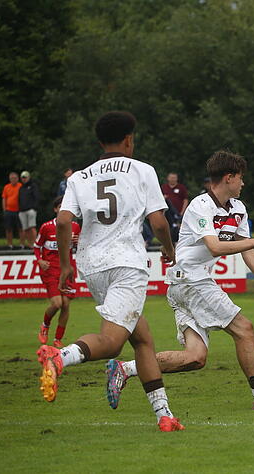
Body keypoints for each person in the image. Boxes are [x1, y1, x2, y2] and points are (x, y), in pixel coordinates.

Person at [105, 150, 254, 411]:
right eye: (241, 178)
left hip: (185, 284)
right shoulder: (200, 205)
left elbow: (244, 248)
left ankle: (125, 368)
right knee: (244, 329)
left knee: (195, 358)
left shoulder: (238, 208)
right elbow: (215, 247)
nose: (243, 183)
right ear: (229, 177)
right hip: (191, 280)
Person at [36, 111, 184, 431]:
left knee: (142, 339)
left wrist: (64, 266)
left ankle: (164, 416)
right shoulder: (143, 170)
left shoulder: (78, 177)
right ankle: (59, 358)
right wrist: (170, 251)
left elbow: (63, 221)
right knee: (112, 343)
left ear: (100, 142)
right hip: (126, 264)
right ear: (129, 139)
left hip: (92, 265)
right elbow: (158, 222)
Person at [34, 196, 81, 348]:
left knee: (66, 304)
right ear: (55, 209)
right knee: (57, 303)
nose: (63, 209)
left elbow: (80, 247)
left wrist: (78, 243)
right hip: (51, 269)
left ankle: (57, 339)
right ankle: (45, 325)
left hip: (67, 269)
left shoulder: (75, 227)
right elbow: (36, 246)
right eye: (60, 206)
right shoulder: (46, 227)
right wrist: (40, 260)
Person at [2, 171, 24, 249]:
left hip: (19, 210)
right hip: (9, 210)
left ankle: (22, 244)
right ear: (9, 179)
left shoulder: (21, 186)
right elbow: (4, 198)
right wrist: (4, 210)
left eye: (15, 178)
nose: (13, 180)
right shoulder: (6, 187)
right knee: (8, 228)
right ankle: (10, 244)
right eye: (12, 178)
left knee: (21, 228)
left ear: (18, 179)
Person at [18, 170, 40, 247]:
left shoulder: (33, 186)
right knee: (25, 229)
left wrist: (34, 208)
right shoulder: (21, 187)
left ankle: (35, 244)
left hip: (30, 210)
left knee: (32, 227)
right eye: (22, 178)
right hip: (22, 211)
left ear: (28, 177)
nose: (24, 179)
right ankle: (30, 244)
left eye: (25, 177)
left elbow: (36, 197)